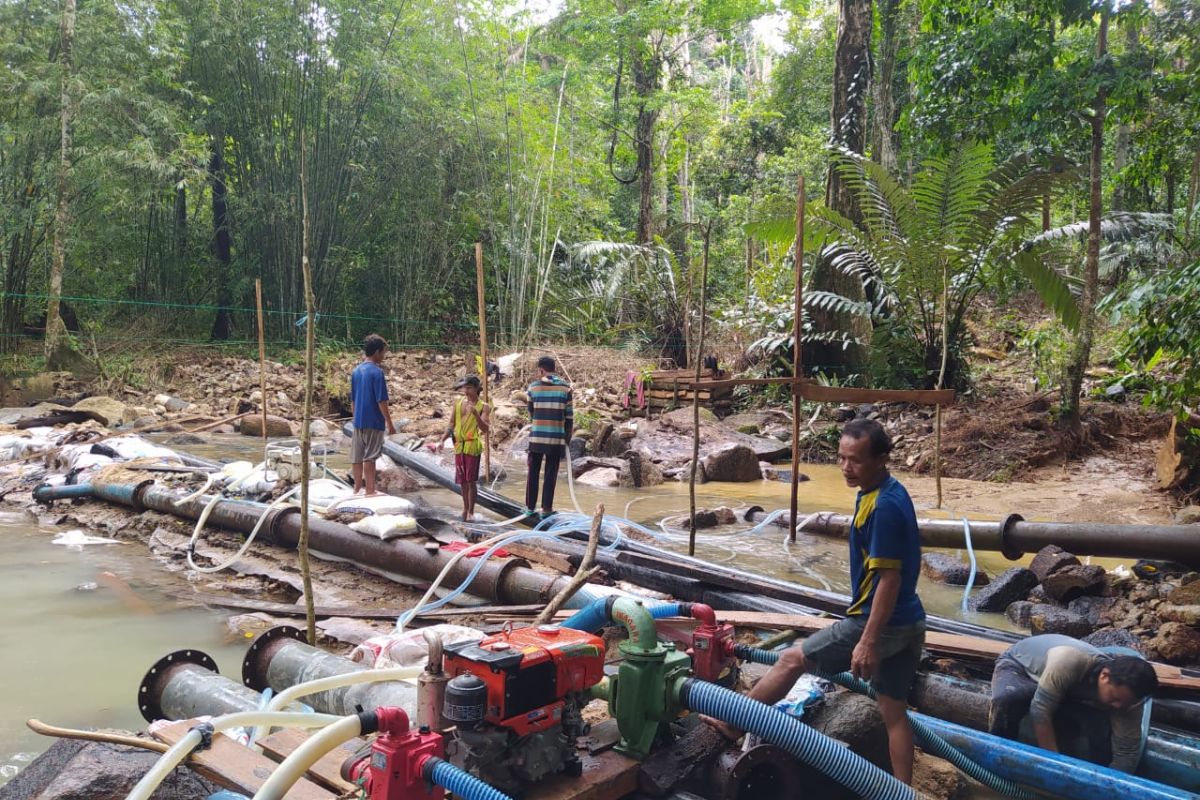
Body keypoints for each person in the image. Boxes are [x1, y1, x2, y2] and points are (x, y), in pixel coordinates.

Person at [706, 418, 925, 784]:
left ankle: (732, 723)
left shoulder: (883, 507)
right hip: (909, 620)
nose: (845, 468)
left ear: (882, 458)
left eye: (854, 460)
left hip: (877, 621)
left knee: (792, 659)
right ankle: (903, 792)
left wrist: (867, 642)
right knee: (894, 713)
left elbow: (890, 579)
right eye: (841, 458)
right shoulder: (884, 491)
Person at [989, 634, 1158, 772]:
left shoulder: (1130, 701)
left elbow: (1126, 751)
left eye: (1124, 704)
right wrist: (1054, 767)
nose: (1118, 707)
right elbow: (1040, 710)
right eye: (1114, 698)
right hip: (1020, 666)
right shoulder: (1069, 661)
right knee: (1009, 698)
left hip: (1064, 688)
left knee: (1100, 727)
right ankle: (997, 759)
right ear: (1104, 676)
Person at [525, 355, 573, 517]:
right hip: (556, 439)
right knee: (550, 474)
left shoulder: (533, 388)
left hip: (537, 437)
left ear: (541, 370)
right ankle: (546, 509)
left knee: (533, 472)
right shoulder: (566, 389)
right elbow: (569, 418)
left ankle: (530, 508)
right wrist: (566, 440)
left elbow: (531, 413)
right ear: (554, 370)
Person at [349, 334, 396, 495]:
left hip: (359, 421)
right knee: (370, 457)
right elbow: (381, 400)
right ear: (376, 352)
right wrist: (389, 423)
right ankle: (370, 490)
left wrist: (355, 419)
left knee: (357, 456)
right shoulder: (377, 373)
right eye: (383, 353)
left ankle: (356, 488)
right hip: (374, 422)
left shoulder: (356, 371)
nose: (384, 356)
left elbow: (353, 399)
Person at [439, 375, 490, 521]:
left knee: (471, 480)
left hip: (472, 446)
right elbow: (451, 423)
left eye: (469, 388)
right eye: (464, 388)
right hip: (459, 445)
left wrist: (476, 415)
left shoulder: (484, 406)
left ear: (476, 388)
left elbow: (485, 429)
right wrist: (442, 440)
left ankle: (471, 511)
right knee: (462, 480)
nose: (465, 391)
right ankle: (465, 508)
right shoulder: (458, 403)